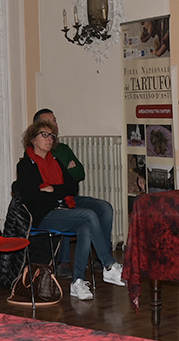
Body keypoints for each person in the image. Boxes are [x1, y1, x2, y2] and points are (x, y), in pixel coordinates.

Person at [15, 121, 123, 301]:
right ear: (33, 139)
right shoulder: (26, 165)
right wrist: (57, 191)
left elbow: (72, 186)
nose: (49, 139)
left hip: (62, 206)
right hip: (42, 215)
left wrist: (53, 190)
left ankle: (77, 281)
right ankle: (109, 264)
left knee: (91, 220)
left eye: (52, 136)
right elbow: (36, 197)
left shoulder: (55, 161)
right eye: (44, 135)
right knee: (88, 215)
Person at [33, 109, 117, 276]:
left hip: (68, 198)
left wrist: (58, 185)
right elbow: (41, 189)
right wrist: (62, 182)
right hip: (51, 206)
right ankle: (67, 263)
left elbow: (78, 176)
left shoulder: (61, 150)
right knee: (83, 215)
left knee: (104, 207)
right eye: (48, 122)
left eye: (55, 120)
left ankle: (102, 258)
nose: (54, 125)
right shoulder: (32, 160)